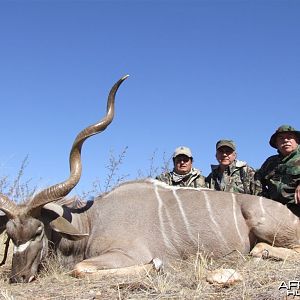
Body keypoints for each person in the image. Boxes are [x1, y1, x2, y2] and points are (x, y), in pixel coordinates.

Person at [255, 125, 300, 215]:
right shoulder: (270, 162)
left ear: (297, 141)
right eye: (281, 138)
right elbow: (257, 178)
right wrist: (263, 198)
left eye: (290, 137)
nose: (285, 140)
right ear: (276, 144)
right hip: (275, 211)